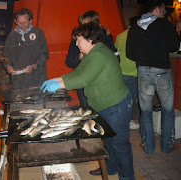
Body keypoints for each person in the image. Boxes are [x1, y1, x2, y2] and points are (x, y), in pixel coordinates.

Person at [41, 22, 135, 180]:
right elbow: (78, 72)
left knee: (120, 145)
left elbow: (83, 79)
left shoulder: (99, 54)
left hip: (116, 105)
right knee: (108, 141)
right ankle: (111, 168)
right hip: (103, 105)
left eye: (78, 40)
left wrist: (59, 85)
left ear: (90, 39)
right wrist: (57, 79)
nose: (76, 44)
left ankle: (127, 177)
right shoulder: (91, 54)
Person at [126, 0, 180, 155]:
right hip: (162, 71)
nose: (164, 13)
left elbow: (130, 54)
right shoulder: (164, 25)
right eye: (163, 10)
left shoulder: (135, 27)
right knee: (168, 110)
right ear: (157, 9)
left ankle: (149, 148)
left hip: (143, 72)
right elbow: (174, 46)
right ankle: (167, 147)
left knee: (146, 111)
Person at [65, 10, 117, 108]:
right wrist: (79, 57)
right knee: (87, 110)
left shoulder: (104, 42)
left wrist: (62, 84)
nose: (82, 28)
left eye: (85, 25)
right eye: (81, 25)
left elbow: (114, 60)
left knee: (104, 111)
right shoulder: (78, 40)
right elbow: (71, 63)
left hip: (103, 84)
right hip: (85, 87)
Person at [3, 8, 49, 89]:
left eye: (25, 22)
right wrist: (8, 66)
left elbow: (45, 55)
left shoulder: (38, 33)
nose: (22, 25)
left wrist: (34, 66)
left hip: (37, 77)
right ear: (15, 21)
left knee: (38, 99)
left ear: (30, 21)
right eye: (20, 23)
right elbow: (6, 57)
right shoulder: (11, 36)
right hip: (19, 80)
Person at [115, 16, 140, 130]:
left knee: (121, 98)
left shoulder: (120, 35)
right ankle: (128, 121)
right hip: (132, 72)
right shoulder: (138, 35)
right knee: (130, 99)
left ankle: (119, 119)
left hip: (120, 72)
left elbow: (116, 52)